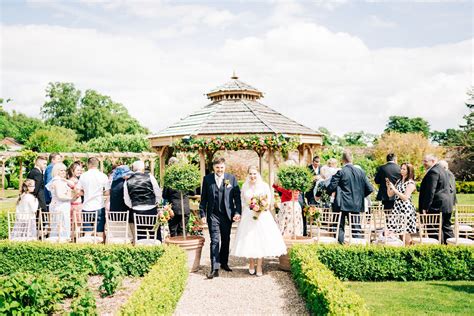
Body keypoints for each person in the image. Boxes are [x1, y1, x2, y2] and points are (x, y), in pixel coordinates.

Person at [232, 166, 286, 276]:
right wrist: (247, 208)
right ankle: (251, 264)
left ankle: (260, 265)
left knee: (261, 240)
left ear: (258, 174)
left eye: (254, 173)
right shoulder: (245, 186)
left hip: (262, 215)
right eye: (251, 174)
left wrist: (262, 207)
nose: (253, 176)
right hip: (249, 215)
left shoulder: (264, 186)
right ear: (248, 175)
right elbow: (242, 200)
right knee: (250, 239)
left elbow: (269, 200)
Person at [199, 157, 241, 279]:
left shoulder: (230, 179)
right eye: (217, 167)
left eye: (222, 167)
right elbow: (204, 199)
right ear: (213, 168)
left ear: (225, 167)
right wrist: (203, 214)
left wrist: (238, 212)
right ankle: (214, 267)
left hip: (227, 215)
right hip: (213, 215)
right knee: (215, 240)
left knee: (226, 240)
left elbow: (236, 198)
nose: (220, 169)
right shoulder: (207, 179)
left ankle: (224, 262)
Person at [326, 151, 374, 244]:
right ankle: (358, 248)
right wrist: (359, 196)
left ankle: (340, 246)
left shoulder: (340, 172)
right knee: (356, 227)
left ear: (342, 160)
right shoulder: (361, 172)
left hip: (341, 204)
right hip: (356, 204)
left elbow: (331, 187)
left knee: (339, 226)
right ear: (352, 159)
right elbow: (370, 188)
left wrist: (329, 192)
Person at [419, 154, 453, 244]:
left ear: (433, 161)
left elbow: (430, 191)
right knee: (447, 229)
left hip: (437, 206)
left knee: (434, 230)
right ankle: (453, 249)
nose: (424, 163)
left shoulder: (433, 171)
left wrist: (425, 207)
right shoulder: (443, 170)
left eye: (426, 161)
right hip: (447, 205)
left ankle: (438, 249)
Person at [124, 160, 162, 240]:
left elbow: (126, 199)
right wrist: (156, 204)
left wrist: (133, 206)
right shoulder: (150, 177)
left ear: (133, 169)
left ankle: (142, 249)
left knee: (140, 235)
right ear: (143, 168)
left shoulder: (127, 181)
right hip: (151, 209)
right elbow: (158, 192)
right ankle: (157, 249)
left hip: (136, 211)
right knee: (155, 234)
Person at [77, 157, 110, 242]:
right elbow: (107, 192)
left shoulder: (83, 176)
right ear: (97, 165)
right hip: (99, 206)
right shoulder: (103, 176)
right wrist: (99, 193)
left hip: (87, 206)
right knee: (100, 232)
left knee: (87, 232)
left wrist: (85, 193)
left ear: (88, 164)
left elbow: (77, 190)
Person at [387, 163, 417, 245]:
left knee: (405, 231)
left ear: (409, 171)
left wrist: (395, 190)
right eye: (401, 168)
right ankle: (403, 248)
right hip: (397, 207)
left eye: (404, 169)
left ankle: (409, 249)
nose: (402, 171)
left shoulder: (410, 183)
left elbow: (405, 197)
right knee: (399, 231)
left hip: (405, 208)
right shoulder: (399, 181)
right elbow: (390, 194)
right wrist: (389, 187)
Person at [162, 157, 192, 237]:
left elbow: (164, 195)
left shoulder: (169, 178)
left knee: (173, 231)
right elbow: (193, 192)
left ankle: (175, 248)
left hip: (173, 208)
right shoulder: (186, 176)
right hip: (185, 207)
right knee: (183, 231)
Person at [46, 163, 73, 240]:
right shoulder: (57, 182)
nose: (64, 172)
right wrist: (71, 198)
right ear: (57, 171)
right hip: (60, 206)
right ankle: (62, 240)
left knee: (58, 225)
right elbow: (60, 196)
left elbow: (72, 184)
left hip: (58, 205)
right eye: (61, 170)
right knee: (61, 226)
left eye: (64, 170)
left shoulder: (59, 181)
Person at [304, 156, 322, 235]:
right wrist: (313, 178)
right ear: (313, 162)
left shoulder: (321, 168)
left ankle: (317, 223)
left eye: (318, 162)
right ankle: (311, 224)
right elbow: (306, 179)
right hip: (310, 192)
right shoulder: (308, 168)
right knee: (311, 207)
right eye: (316, 162)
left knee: (318, 208)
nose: (317, 164)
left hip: (318, 191)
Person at [67, 161, 83, 232]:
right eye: (78, 170)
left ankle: (73, 236)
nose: (80, 172)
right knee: (77, 221)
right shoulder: (74, 180)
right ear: (72, 171)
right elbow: (76, 192)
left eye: (80, 170)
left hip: (74, 203)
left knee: (73, 222)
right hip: (76, 203)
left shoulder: (72, 179)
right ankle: (75, 236)